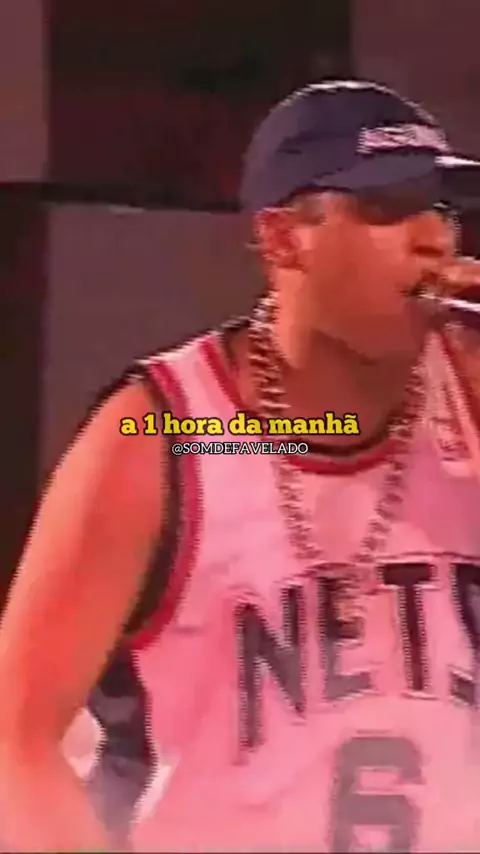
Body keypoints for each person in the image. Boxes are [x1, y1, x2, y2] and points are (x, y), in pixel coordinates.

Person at [2, 79, 480, 853]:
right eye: (387, 208)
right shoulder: (167, 435)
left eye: (443, 208)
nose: (434, 238)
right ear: (283, 238)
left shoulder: (468, 395)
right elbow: (15, 740)